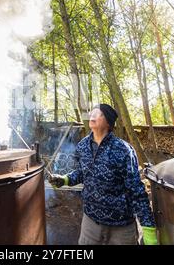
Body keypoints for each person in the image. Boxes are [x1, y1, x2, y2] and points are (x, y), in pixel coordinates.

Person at [48, 104, 158, 245]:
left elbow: (136, 189)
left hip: (121, 227)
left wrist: (148, 228)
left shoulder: (123, 149)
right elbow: (83, 172)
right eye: (92, 113)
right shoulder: (82, 146)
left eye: (99, 114)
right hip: (90, 223)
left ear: (109, 123)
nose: (93, 116)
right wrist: (65, 179)